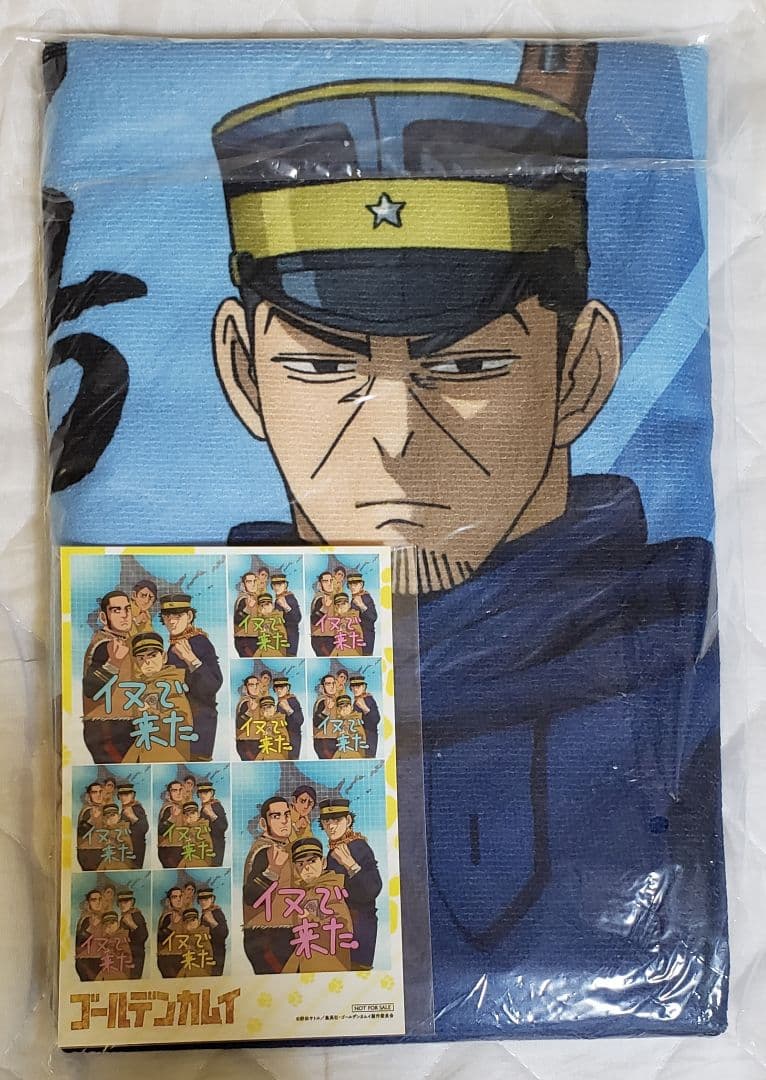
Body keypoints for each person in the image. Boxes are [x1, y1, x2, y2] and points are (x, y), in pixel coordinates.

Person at [211, 61, 725, 1035]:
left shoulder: (680, 640)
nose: (395, 437)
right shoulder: (186, 645)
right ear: (243, 371)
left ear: (582, 372)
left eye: (470, 365)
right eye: (322, 367)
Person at [320, 798, 382, 970]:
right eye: (326, 821)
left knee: (356, 973)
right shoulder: (334, 850)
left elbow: (373, 888)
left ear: (348, 821)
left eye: (337, 820)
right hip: (338, 927)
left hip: (359, 928)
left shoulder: (358, 846)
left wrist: (351, 865)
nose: (331, 826)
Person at [161, 594, 223, 760]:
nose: (171, 621)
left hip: (198, 725)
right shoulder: (174, 645)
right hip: (177, 723)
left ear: (189, 616)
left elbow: (213, 684)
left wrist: (191, 660)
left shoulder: (199, 642)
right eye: (167, 616)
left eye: (177, 616)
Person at [283, 836, 356, 973]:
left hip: (328, 965)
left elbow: (344, 927)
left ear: (323, 863)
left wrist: (310, 919)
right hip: (306, 962)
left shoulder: (331, 889)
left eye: (312, 861)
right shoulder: (302, 892)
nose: (307, 867)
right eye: (300, 864)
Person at [123, 631, 198, 763]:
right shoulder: (140, 686)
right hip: (144, 751)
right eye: (141, 658)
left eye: (152, 655)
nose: (147, 662)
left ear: (163, 657)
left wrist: (151, 712)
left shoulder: (172, 683)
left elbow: (182, 721)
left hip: (167, 754)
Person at [242, 795, 294, 974]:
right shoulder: (265, 850)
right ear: (264, 823)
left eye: (287, 814)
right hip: (268, 937)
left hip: (282, 933)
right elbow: (250, 896)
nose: (284, 821)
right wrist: (273, 870)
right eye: (276, 816)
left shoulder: (281, 847)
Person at [81, 589, 134, 763]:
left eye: (127, 609)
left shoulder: (121, 640)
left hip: (122, 725)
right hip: (107, 729)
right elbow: (91, 689)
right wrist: (114, 663)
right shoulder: (105, 645)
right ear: (104, 617)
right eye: (116, 610)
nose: (124, 615)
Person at [116, 782, 149, 866]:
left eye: (127, 794)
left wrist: (132, 817)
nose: (123, 797)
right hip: (125, 847)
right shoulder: (124, 809)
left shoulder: (137, 808)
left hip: (136, 848)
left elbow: (144, 828)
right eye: (121, 795)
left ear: (132, 795)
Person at [117, 889, 148, 979]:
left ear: (132, 902)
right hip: (124, 955)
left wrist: (132, 924)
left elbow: (144, 935)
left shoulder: (136, 915)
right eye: (120, 902)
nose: (123, 905)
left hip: (135, 955)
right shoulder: (123, 917)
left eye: (126, 902)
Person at [75, 889, 104, 981]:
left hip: (99, 960)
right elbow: (80, 943)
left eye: (100, 899)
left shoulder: (102, 917)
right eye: (94, 900)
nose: (98, 902)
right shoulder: (86, 919)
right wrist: (91, 928)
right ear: (88, 903)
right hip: (87, 961)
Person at [76, 781, 106, 871]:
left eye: (100, 792)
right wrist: (93, 820)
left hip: (98, 850)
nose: (98, 795)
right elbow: (81, 832)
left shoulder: (100, 809)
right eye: (94, 792)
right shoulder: (88, 810)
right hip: (91, 852)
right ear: (89, 795)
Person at [157, 887, 185, 978]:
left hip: (181, 956)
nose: (178, 899)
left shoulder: (183, 915)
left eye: (180, 896)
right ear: (169, 901)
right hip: (168, 958)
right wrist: (171, 927)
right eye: (174, 897)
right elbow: (160, 938)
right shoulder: (168, 916)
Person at [349, 675, 381, 757]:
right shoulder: (356, 700)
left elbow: (376, 719)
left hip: (369, 737)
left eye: (358, 686)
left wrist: (364, 708)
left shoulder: (368, 699)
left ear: (363, 687)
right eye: (353, 687)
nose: (355, 689)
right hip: (358, 737)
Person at [199, 888, 229, 975]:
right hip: (206, 952)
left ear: (212, 899)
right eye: (201, 900)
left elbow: (224, 933)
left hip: (216, 952)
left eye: (206, 899)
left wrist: (211, 921)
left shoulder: (217, 912)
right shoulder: (204, 914)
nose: (203, 902)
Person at [233, 571, 263, 657]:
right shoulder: (243, 599)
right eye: (249, 582)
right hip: (245, 641)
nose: (253, 584)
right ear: (244, 585)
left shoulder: (255, 598)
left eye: (255, 581)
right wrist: (247, 608)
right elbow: (238, 620)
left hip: (255, 639)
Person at [177, 800, 215, 868]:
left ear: (198, 814)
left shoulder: (202, 827)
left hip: (201, 862)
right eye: (187, 814)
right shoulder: (185, 829)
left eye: (193, 813)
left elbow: (206, 849)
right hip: (189, 860)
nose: (190, 816)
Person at [271, 572, 301, 656]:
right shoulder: (278, 599)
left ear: (285, 585)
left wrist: (286, 606)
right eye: (274, 585)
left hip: (290, 639)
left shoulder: (290, 598)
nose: (276, 587)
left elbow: (297, 618)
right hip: (280, 638)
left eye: (279, 584)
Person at [198, 781, 228, 866]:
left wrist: (211, 814)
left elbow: (224, 826)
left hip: (216, 845)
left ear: (211, 793)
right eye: (200, 793)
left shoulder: (216, 805)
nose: (203, 796)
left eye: (205, 793)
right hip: (206, 844)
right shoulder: (203, 807)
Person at [273, 676, 304, 759]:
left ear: (287, 688)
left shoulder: (292, 700)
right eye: (276, 688)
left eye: (281, 688)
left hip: (292, 739)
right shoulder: (279, 702)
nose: (279, 690)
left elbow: (300, 720)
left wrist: (288, 709)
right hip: (281, 738)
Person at [157, 780, 186, 868]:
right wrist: (173, 817)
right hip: (170, 849)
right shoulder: (168, 808)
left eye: (180, 790)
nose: (178, 793)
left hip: (182, 848)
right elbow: (161, 830)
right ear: (169, 793)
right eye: (174, 790)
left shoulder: (182, 806)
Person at [347, 573, 377, 655]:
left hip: (366, 637)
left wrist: (362, 605)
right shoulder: (354, 598)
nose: (352, 587)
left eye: (355, 584)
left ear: (361, 585)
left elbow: (373, 617)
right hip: (356, 637)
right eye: (350, 584)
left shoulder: (366, 597)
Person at [312, 674, 338, 759]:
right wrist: (326, 710)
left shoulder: (335, 699)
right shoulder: (323, 701)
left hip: (335, 739)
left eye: (334, 683)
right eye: (328, 684)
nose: (332, 686)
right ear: (323, 687)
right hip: (324, 741)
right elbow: (317, 723)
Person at [309, 572, 336, 656]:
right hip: (322, 640)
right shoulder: (320, 599)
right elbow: (314, 621)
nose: (329, 583)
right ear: (320, 584)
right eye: (325, 581)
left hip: (331, 638)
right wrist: (324, 608)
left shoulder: (332, 597)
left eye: (331, 580)